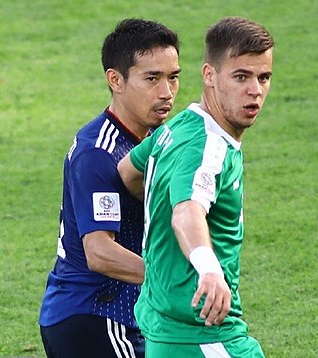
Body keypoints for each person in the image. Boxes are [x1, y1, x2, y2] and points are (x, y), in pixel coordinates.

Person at [118, 16, 274, 357]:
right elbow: (187, 211)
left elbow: (128, 169)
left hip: (165, 330)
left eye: (264, 77)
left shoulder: (177, 127)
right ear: (209, 75)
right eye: (241, 77)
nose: (255, 90)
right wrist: (208, 269)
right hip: (202, 334)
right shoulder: (208, 147)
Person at [38, 18, 181, 358]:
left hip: (127, 315)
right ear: (115, 80)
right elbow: (99, 252)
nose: (166, 92)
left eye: (173, 77)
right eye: (152, 78)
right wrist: (176, 281)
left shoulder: (152, 138)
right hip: (92, 318)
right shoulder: (98, 152)